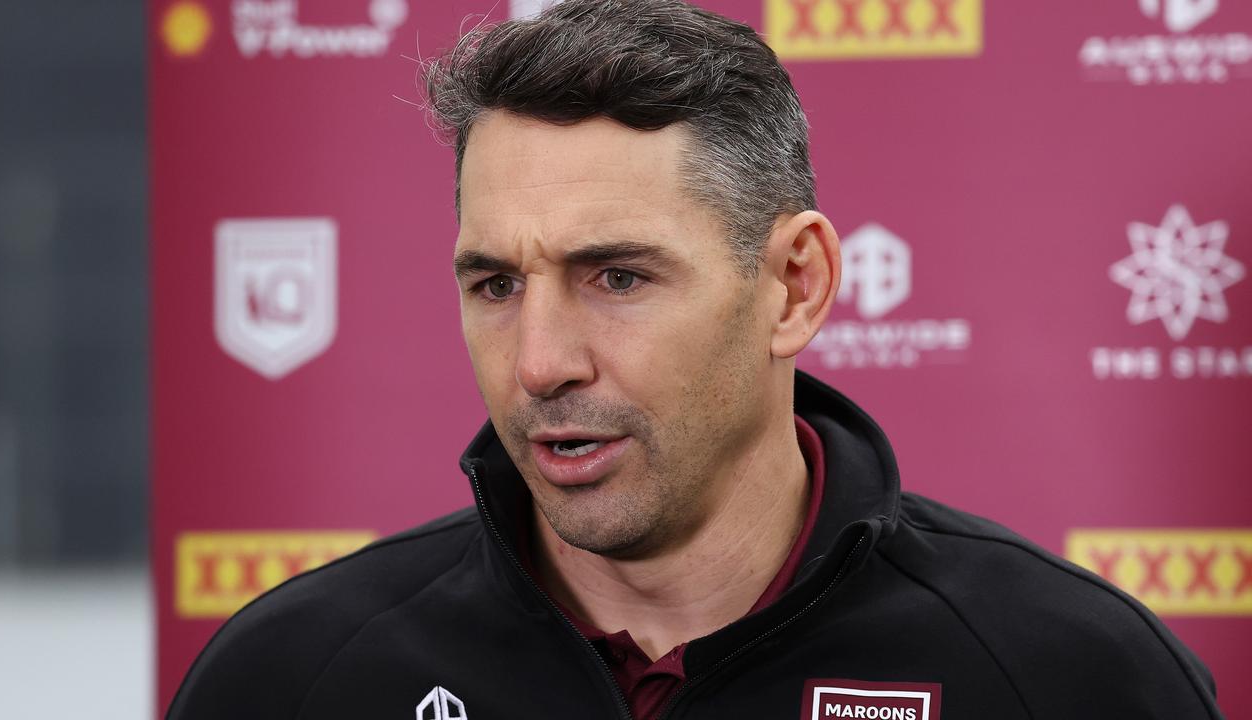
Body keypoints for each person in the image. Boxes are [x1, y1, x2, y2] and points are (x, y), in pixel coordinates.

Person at [168, 1, 1223, 718]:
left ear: (794, 286)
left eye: (616, 278)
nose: (538, 364)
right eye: (495, 285)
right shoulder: (291, 677)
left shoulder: (1067, 675)